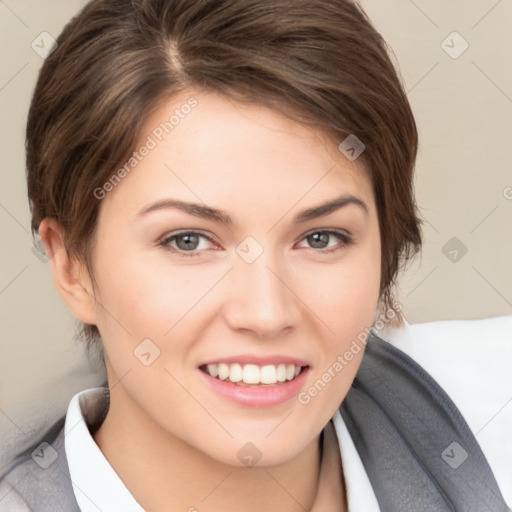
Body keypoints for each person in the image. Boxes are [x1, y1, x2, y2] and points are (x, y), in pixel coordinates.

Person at [0, 0, 509, 510]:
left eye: (320, 238)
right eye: (189, 241)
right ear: (73, 268)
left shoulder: (492, 418)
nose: (266, 313)